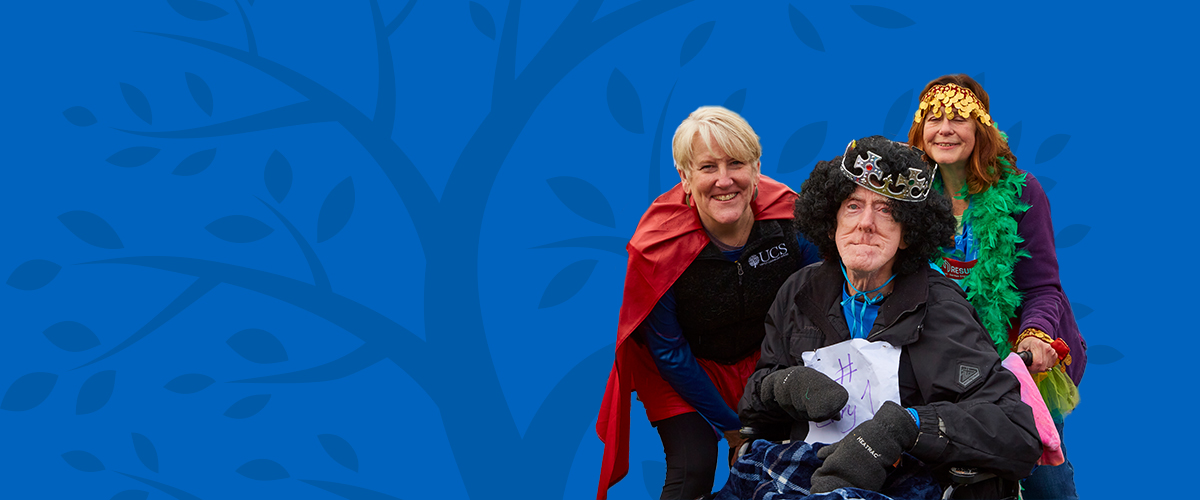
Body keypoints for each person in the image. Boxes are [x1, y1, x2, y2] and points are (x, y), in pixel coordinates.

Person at [731, 136, 1041, 499]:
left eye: (886, 210)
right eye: (852, 206)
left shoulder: (940, 306)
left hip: (903, 478)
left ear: (908, 234)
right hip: (807, 471)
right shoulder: (800, 290)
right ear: (831, 222)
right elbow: (754, 404)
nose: (866, 223)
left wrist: (907, 426)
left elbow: (1013, 428)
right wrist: (784, 386)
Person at [596, 106, 820, 500]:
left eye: (736, 163)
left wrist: (767, 405)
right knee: (694, 467)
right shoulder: (657, 248)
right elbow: (667, 350)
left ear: (756, 169)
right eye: (707, 167)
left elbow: (820, 306)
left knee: (782, 466)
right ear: (684, 177)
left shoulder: (792, 222)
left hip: (762, 361)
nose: (723, 180)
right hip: (684, 370)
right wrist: (734, 428)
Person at [909, 74, 1085, 499]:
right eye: (933, 118)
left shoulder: (1023, 192)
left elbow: (1043, 285)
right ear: (920, 130)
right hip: (938, 360)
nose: (945, 128)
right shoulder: (907, 197)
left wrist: (1035, 334)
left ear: (980, 128)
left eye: (958, 118)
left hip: (1014, 355)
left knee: (1045, 475)